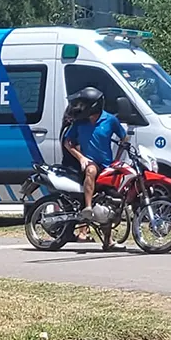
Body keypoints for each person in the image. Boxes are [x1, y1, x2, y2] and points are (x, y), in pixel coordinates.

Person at [62, 87, 128, 243]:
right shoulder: (80, 123)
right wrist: (81, 158)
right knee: (90, 171)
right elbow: (67, 142)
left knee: (110, 201)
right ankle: (88, 209)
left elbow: (124, 138)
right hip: (91, 162)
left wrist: (117, 159)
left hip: (107, 165)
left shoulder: (110, 120)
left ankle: (108, 240)